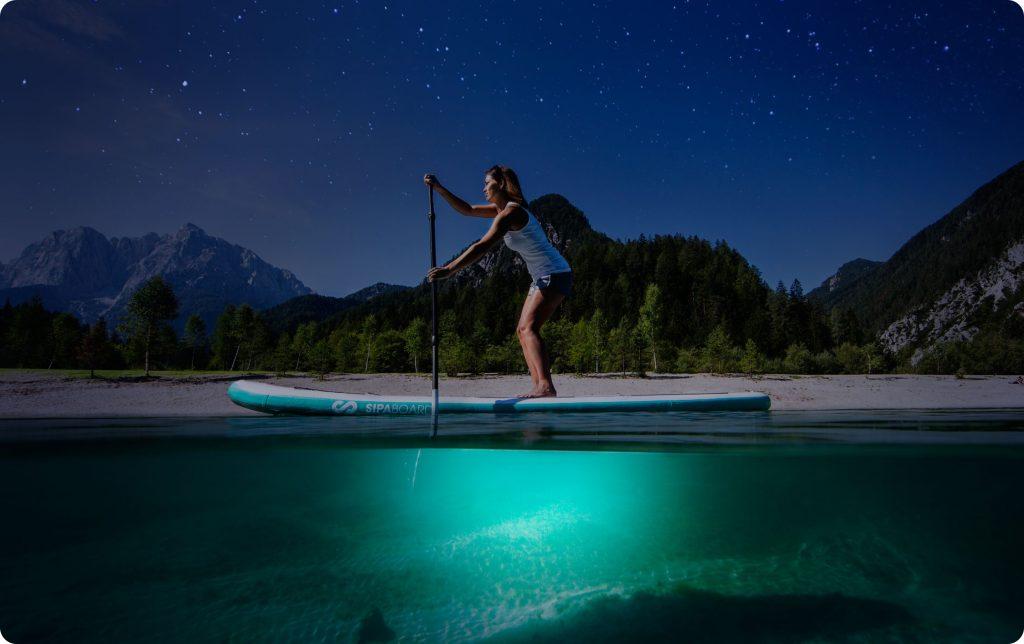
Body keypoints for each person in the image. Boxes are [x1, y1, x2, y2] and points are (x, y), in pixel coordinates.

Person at [425, 166, 572, 398]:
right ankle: (539, 387)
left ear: (501, 184)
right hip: (542, 276)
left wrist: (449, 270)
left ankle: (545, 386)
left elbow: (482, 246)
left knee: (528, 328)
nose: (483, 188)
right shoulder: (500, 210)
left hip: (555, 273)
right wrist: (440, 189)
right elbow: (469, 209)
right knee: (521, 330)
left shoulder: (511, 213)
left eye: (487, 183)